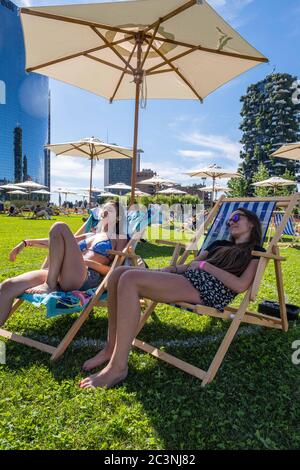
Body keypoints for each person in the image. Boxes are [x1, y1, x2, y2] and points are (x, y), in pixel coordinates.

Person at [80, 207, 266, 389]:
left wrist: (206, 267)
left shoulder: (256, 251)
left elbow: (241, 285)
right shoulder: (218, 244)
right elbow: (194, 265)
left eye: (236, 218)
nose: (230, 222)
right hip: (190, 279)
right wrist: (173, 269)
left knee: (129, 279)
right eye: (229, 220)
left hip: (211, 290)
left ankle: (118, 367)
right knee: (116, 274)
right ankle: (110, 348)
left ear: (251, 223)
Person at [0, 201, 127, 327]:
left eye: (110, 210)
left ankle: (50, 284)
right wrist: (27, 242)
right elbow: (55, 240)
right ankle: (50, 282)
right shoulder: (91, 235)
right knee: (7, 286)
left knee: (59, 226)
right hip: (60, 272)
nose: (104, 212)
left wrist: (87, 262)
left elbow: (114, 271)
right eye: (104, 208)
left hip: (85, 275)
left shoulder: (119, 238)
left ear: (117, 218)